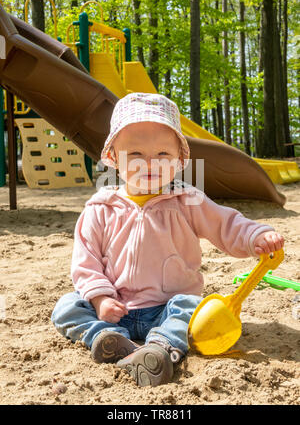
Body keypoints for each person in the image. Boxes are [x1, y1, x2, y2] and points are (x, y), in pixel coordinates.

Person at [51, 93, 284, 387]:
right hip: (113, 309)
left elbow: (226, 224)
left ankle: (159, 349)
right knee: (66, 306)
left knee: (192, 306)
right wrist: (100, 299)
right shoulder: (101, 208)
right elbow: (85, 261)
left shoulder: (187, 201)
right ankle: (106, 338)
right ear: (114, 158)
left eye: (162, 155)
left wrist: (256, 236)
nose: (150, 163)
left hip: (167, 308)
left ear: (178, 161)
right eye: (135, 154)